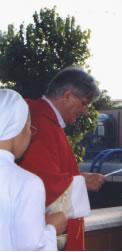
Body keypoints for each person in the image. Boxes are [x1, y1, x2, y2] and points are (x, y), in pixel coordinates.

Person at [20, 66, 105, 250]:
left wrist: (81, 178)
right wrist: (82, 181)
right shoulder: (39, 122)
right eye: (84, 103)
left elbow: (50, 171)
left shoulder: (45, 120)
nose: (85, 111)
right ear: (67, 96)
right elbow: (40, 180)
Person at [0, 89, 67, 250]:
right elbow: (31, 246)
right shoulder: (27, 183)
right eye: (29, 127)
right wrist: (53, 228)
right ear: (17, 129)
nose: (30, 134)